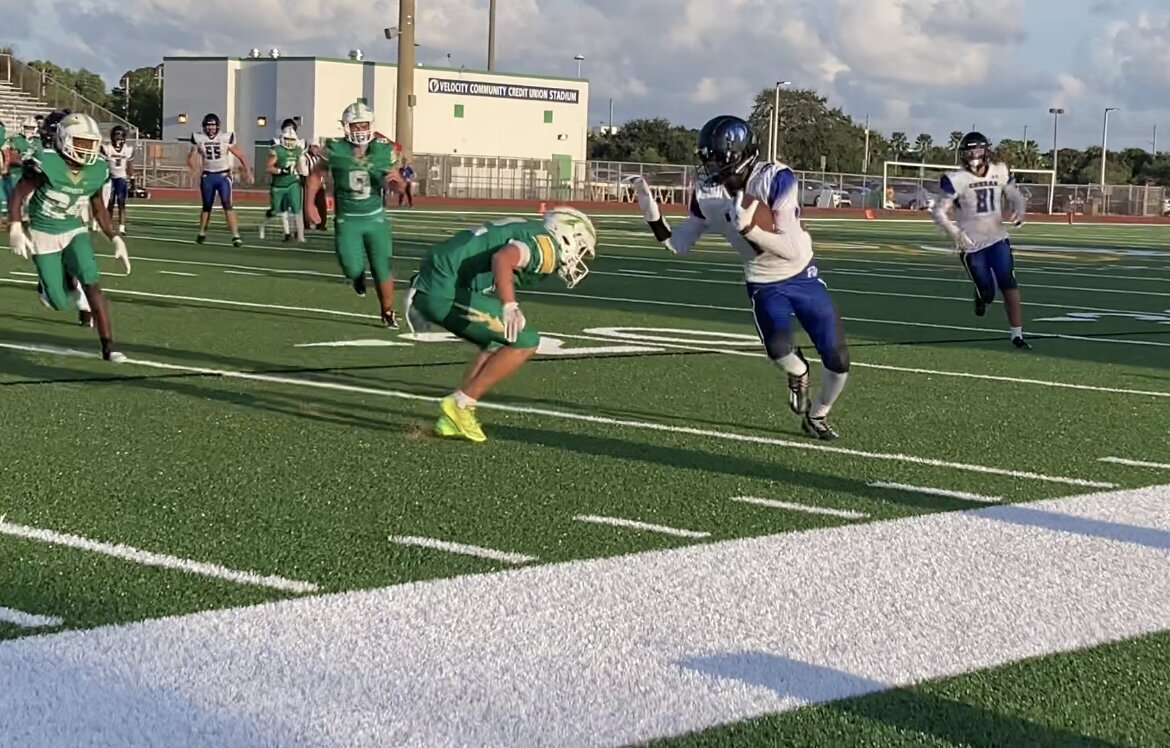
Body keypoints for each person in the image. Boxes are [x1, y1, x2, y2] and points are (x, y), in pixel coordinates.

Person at [632, 115, 850, 440]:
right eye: (708, 159)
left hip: (801, 272)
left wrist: (751, 229)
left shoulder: (776, 178)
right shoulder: (706, 194)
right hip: (762, 280)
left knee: (837, 359)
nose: (712, 166)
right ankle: (800, 372)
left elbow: (789, 249)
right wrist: (654, 217)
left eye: (719, 158)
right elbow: (679, 246)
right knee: (779, 350)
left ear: (740, 154)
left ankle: (817, 415)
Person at [404, 209, 597, 443]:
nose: (578, 258)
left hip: (437, 282)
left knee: (498, 342)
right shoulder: (547, 248)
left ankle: (453, 417)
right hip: (441, 290)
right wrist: (509, 305)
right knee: (525, 341)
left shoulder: (531, 229)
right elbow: (503, 258)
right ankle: (461, 405)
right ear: (568, 235)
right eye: (581, 249)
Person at [8, 112, 132, 361]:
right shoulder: (48, 162)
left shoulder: (97, 169)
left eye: (91, 143)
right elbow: (18, 194)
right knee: (57, 301)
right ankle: (51, 283)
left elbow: (98, 208)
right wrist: (15, 227)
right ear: (64, 140)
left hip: (75, 229)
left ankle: (108, 346)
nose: (87, 150)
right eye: (81, 142)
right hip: (44, 231)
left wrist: (115, 237)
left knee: (92, 282)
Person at [305, 101, 405, 328]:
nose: (360, 130)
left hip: (375, 218)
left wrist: (400, 185)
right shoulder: (335, 149)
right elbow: (314, 176)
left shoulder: (383, 149)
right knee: (351, 266)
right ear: (347, 127)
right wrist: (309, 205)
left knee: (381, 267)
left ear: (371, 125)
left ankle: (387, 311)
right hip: (347, 219)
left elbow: (398, 185)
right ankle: (357, 276)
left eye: (363, 125)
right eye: (356, 126)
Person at [930, 131, 1031, 349]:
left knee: (1009, 283)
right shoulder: (956, 180)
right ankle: (980, 296)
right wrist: (955, 232)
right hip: (971, 244)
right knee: (988, 293)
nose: (973, 155)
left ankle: (1017, 335)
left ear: (986, 151)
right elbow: (939, 211)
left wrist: (1019, 210)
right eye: (968, 151)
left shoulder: (999, 171)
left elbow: (1014, 194)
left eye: (976, 150)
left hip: (997, 238)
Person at [187, 113, 253, 246]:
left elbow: (240, 154)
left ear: (218, 126)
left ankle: (235, 235)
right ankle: (201, 233)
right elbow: (190, 158)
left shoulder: (225, 138)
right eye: (208, 125)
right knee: (206, 206)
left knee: (227, 205)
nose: (211, 128)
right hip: (208, 175)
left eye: (213, 125)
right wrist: (195, 169)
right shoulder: (199, 139)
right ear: (204, 127)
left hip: (223, 176)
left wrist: (248, 171)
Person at [260, 124, 307, 243]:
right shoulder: (277, 150)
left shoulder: (298, 149)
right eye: (288, 139)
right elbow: (268, 168)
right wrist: (281, 170)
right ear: (282, 138)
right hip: (279, 185)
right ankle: (264, 224)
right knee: (277, 210)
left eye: (292, 140)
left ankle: (298, 235)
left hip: (292, 183)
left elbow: (298, 165)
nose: (290, 142)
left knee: (297, 208)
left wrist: (301, 170)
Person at [100, 125, 134, 235]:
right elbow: (102, 164)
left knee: (121, 203)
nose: (118, 139)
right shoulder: (107, 148)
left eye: (120, 136)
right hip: (110, 178)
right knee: (110, 203)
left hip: (121, 178)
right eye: (116, 136)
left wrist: (132, 178)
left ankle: (122, 227)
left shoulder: (127, 150)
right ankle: (109, 225)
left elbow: (129, 164)